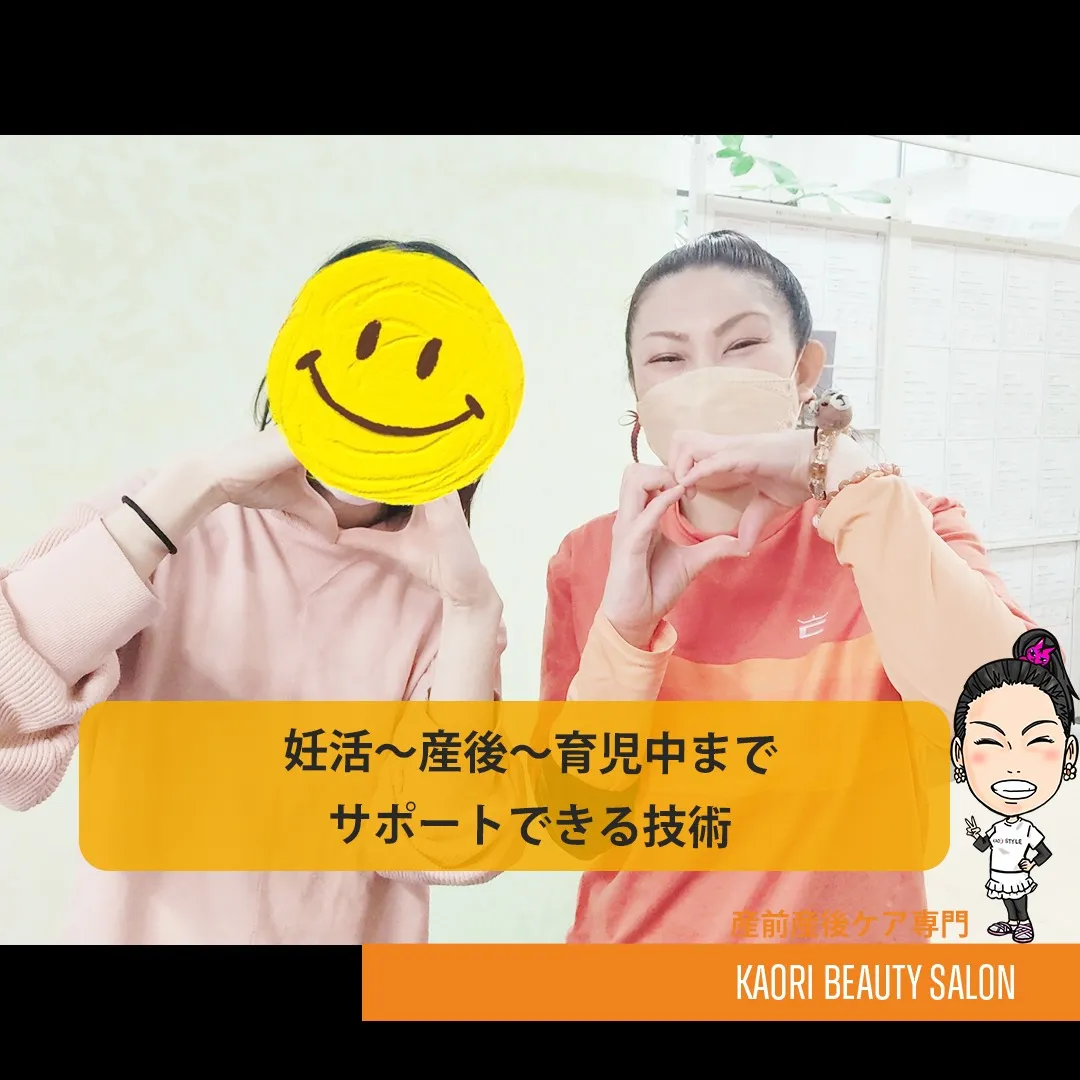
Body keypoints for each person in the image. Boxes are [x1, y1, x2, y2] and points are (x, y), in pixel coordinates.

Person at [0, 238, 505, 946]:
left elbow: (449, 842)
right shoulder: (164, 517)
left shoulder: (446, 601)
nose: (387, 385)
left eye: (426, 365)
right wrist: (191, 490)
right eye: (364, 346)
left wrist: (472, 614)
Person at [541, 230, 1036, 945]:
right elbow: (576, 825)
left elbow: (1017, 724)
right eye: (668, 359)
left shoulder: (907, 526)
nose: (705, 379)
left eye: (741, 345)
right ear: (640, 397)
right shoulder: (589, 560)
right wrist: (625, 629)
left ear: (804, 371)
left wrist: (849, 476)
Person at [954, 628, 1077, 944]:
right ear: (959, 754)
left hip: (1019, 875)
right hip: (999, 876)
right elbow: (984, 847)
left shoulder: (1031, 828)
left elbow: (1045, 851)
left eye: (1038, 741)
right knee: (1007, 899)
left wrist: (1029, 862)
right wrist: (975, 835)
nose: (1013, 766)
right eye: (989, 742)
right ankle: (1013, 921)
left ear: (1069, 753)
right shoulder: (995, 825)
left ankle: (1023, 922)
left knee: (1019, 898)